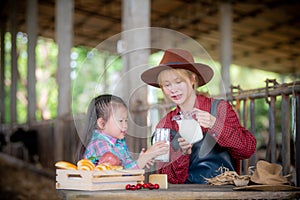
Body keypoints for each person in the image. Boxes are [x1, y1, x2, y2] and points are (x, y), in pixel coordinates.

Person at [141, 49, 256, 184]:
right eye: (166, 85)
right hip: (187, 195)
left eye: (178, 82)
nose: (173, 89)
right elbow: (167, 178)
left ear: (192, 79)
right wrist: (182, 154)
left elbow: (246, 150)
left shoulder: (219, 109)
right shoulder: (165, 124)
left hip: (223, 189)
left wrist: (215, 125)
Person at [78, 94, 169, 169]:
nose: (125, 125)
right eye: (120, 121)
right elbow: (118, 174)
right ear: (102, 123)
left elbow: (124, 167)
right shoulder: (100, 144)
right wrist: (145, 158)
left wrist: (141, 160)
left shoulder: (119, 142)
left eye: (126, 121)